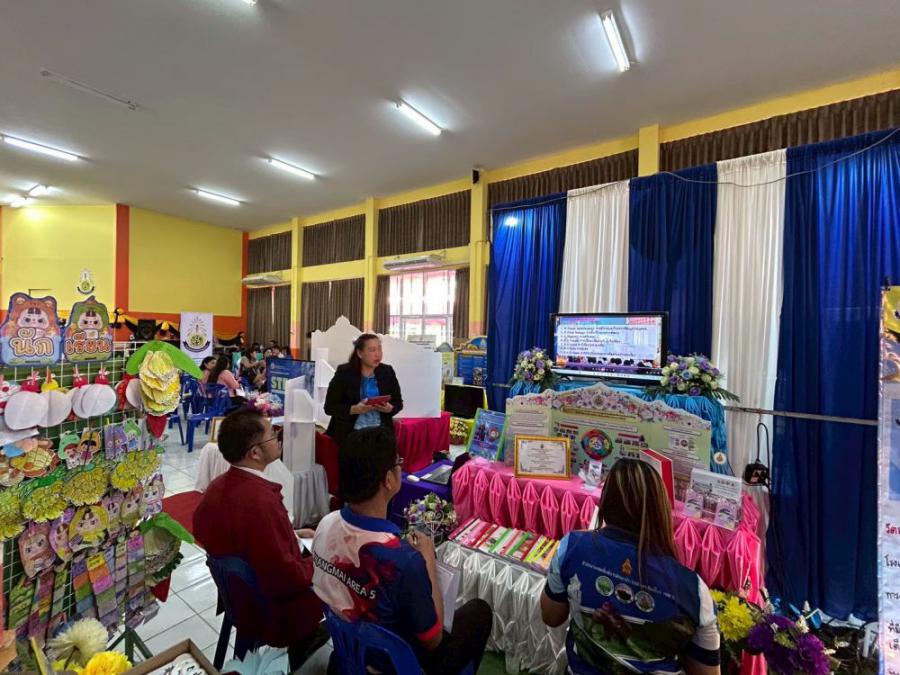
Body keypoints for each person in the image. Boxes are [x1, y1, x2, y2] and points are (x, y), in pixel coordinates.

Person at [312, 427, 492, 675]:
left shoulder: (325, 524)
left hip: (347, 650)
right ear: (388, 479)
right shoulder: (403, 559)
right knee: (479, 613)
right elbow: (434, 640)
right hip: (393, 663)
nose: (401, 467)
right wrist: (428, 559)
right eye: (398, 462)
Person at [540, 459, 721, 675]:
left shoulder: (573, 547)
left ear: (606, 502)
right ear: (661, 509)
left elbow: (551, 616)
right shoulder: (693, 589)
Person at [193, 409, 326, 670]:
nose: (278, 438)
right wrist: (320, 562)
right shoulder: (261, 501)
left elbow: (213, 532)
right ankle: (307, 653)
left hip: (236, 597)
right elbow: (287, 576)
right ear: (255, 452)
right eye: (272, 435)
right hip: (271, 609)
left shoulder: (218, 486)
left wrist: (292, 534)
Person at [324, 334, 403, 445]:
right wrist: (354, 409)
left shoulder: (387, 371)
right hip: (351, 434)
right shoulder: (344, 372)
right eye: (372, 350)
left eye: (379, 349)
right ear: (360, 353)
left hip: (381, 434)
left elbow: (398, 402)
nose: (378, 354)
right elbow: (330, 407)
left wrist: (390, 409)